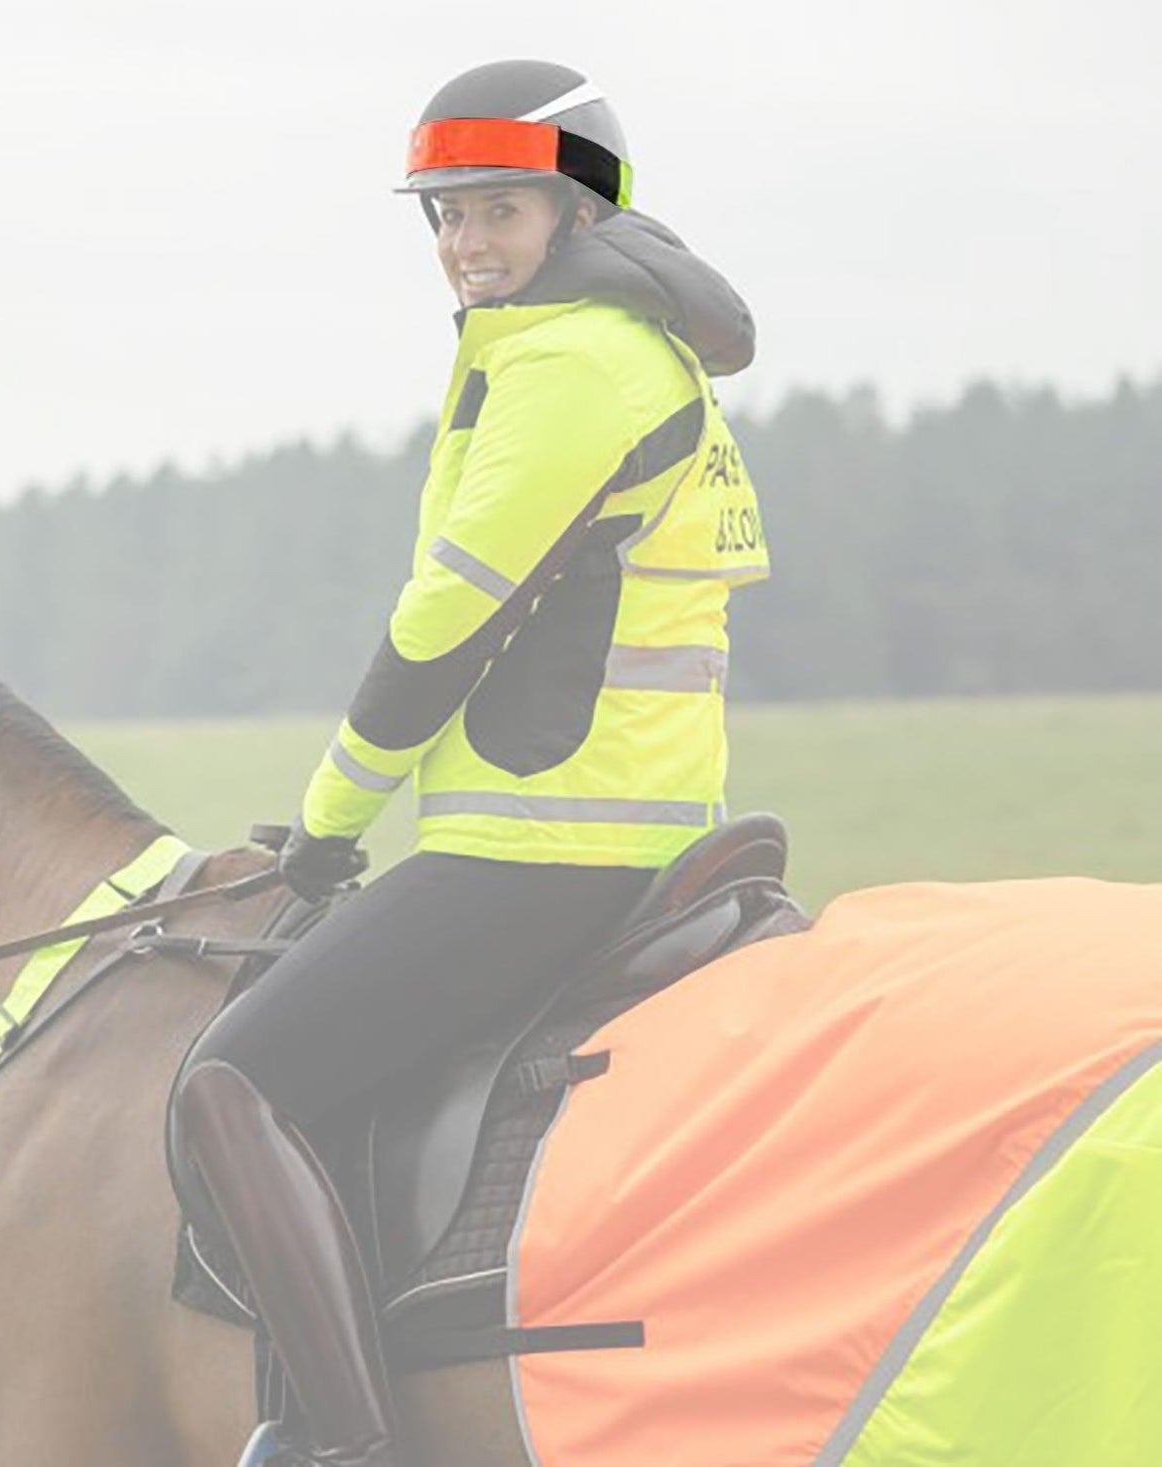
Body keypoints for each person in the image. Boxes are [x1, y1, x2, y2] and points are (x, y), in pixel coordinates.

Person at [177, 59, 769, 1467]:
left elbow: (445, 622)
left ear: (577, 211)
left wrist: (324, 828)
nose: (462, 245)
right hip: (620, 819)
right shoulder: (598, 340)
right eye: (441, 216)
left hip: (543, 842)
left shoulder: (573, 360)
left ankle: (347, 1446)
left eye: (496, 209)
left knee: (227, 1087)